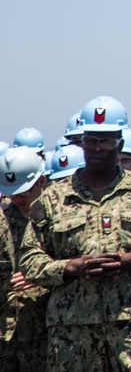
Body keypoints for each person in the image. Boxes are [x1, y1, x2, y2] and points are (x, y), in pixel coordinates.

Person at [19, 97, 131, 371]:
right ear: (82, 142)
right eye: (90, 140)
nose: (97, 148)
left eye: (106, 141)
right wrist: (69, 267)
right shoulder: (53, 199)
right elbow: (29, 260)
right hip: (71, 329)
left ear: (120, 143)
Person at [0, 145, 50, 370]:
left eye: (24, 192)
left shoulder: (58, 213)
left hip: (46, 327)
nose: (17, 199)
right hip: (6, 329)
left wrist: (39, 274)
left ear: (41, 181)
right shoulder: (3, 218)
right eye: (12, 193)